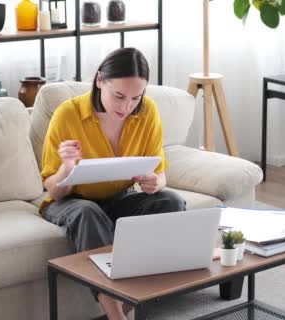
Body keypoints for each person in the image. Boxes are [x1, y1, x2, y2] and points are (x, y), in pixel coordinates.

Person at [39, 47, 186, 320]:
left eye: (135, 98)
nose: (125, 106)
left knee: (172, 201)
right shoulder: (67, 114)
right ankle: (115, 315)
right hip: (69, 202)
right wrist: (67, 169)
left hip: (119, 198)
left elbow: (159, 171)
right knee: (87, 212)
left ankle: (133, 300)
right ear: (99, 81)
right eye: (118, 96)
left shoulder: (147, 112)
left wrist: (154, 182)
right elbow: (53, 190)